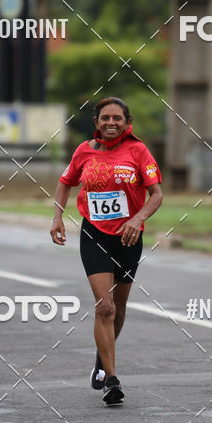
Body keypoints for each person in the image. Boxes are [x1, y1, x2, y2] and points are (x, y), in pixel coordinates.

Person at [50, 97, 163, 405]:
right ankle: (110, 380)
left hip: (129, 237)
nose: (110, 123)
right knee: (105, 307)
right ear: (96, 122)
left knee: (120, 308)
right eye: (105, 118)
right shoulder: (83, 151)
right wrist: (58, 216)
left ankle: (102, 361)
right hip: (94, 234)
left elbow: (156, 195)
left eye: (117, 118)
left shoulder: (138, 151)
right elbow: (65, 183)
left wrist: (137, 218)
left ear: (128, 124)